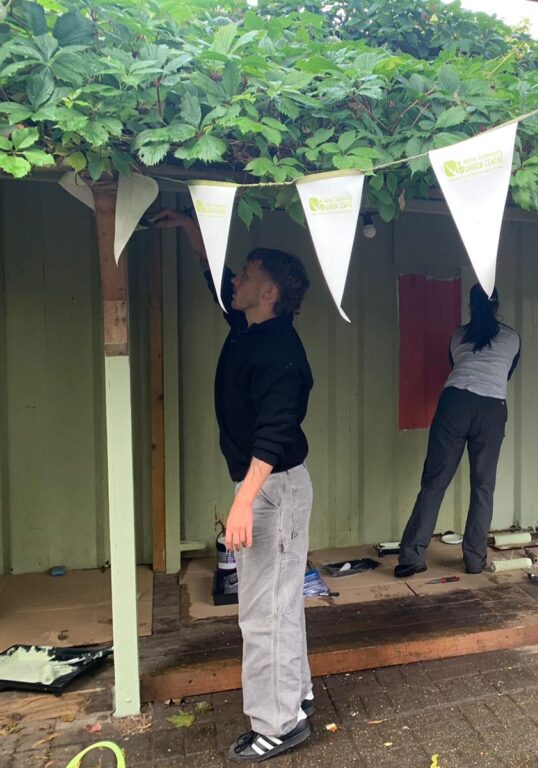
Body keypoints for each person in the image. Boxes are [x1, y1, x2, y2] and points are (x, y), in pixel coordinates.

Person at [151, 209, 315, 763]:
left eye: (246, 275)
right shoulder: (253, 327)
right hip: (271, 487)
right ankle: (294, 697)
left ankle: (278, 724)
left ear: (267, 291)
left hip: (272, 487)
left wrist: (244, 500)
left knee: (262, 609)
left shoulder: (279, 353)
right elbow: (220, 287)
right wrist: (194, 233)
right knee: (279, 599)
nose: (236, 282)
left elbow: (275, 432)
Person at [395, 284, 521, 578]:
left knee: (434, 482)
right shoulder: (512, 337)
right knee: (483, 486)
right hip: (491, 407)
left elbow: (456, 365)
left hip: (455, 403)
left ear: (471, 305)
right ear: (497, 304)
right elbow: (507, 373)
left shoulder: (458, 336)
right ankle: (474, 560)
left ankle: (412, 556)